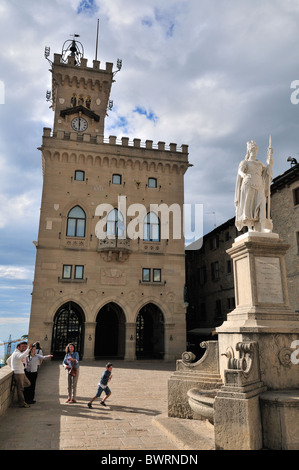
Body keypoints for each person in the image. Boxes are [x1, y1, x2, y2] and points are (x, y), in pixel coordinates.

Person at [235, 140, 273, 232]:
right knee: (248, 206)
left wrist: (270, 159)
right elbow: (240, 171)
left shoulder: (260, 163)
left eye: (256, 150)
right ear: (249, 151)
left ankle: (263, 225)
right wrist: (243, 174)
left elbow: (267, 172)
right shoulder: (245, 162)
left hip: (259, 185)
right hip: (248, 184)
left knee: (262, 203)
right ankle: (249, 227)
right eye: (252, 150)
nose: (254, 152)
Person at [6, 341, 32, 408]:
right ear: (18, 347)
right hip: (18, 373)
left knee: (28, 383)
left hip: (21, 372)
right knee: (20, 389)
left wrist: (12, 367)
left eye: (25, 347)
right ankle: (22, 403)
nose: (24, 348)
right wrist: (28, 349)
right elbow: (22, 357)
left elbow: (8, 361)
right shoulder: (17, 353)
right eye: (23, 346)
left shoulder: (15, 353)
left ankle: (18, 385)